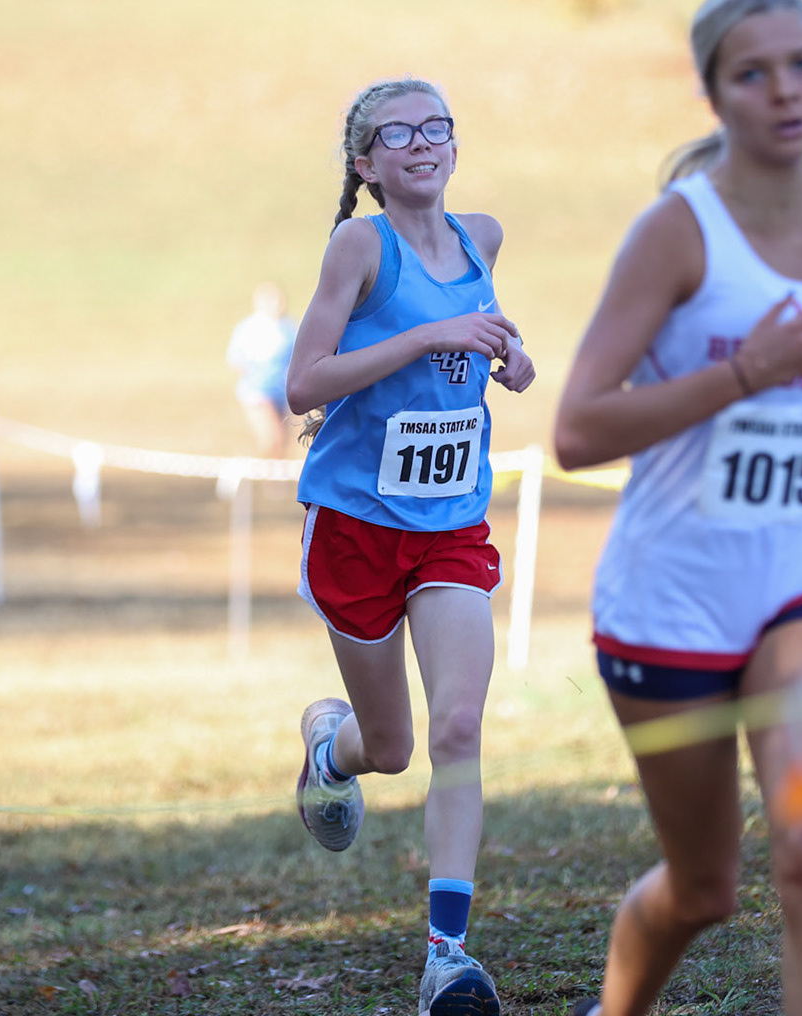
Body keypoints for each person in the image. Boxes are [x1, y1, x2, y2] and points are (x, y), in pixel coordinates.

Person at [551, 0, 802, 1016]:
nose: (785, 90)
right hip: (671, 593)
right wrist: (741, 374)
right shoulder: (677, 232)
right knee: (705, 886)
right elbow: (577, 428)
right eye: (753, 73)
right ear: (713, 95)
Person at [284, 78, 535, 1016]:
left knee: (459, 728)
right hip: (354, 526)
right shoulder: (360, 245)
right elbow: (303, 383)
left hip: (449, 529)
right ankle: (330, 750)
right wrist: (429, 334)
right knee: (389, 747)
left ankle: (448, 955)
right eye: (400, 134)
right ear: (367, 162)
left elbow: (486, 346)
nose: (423, 143)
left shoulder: (484, 236)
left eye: (438, 127)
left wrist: (513, 360)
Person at [227, 282, 297, 457]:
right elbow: (235, 359)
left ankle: (271, 481)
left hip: (282, 392)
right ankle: (264, 477)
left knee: (282, 444)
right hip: (258, 391)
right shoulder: (248, 328)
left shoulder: (289, 328)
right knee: (272, 438)